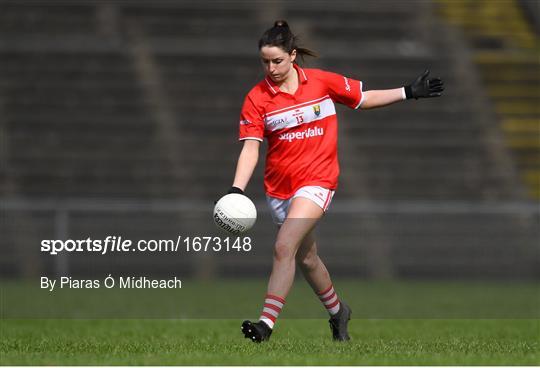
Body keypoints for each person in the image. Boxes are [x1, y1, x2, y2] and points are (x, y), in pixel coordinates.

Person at [223, 20, 444, 343]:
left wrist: (408, 92)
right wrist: (236, 189)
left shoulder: (321, 83)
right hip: (280, 189)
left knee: (284, 246)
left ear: (293, 55)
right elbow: (250, 148)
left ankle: (265, 325)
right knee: (307, 258)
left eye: (277, 61)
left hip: (317, 181)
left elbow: (362, 98)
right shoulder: (257, 98)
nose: (271, 68)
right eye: (265, 62)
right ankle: (338, 312)